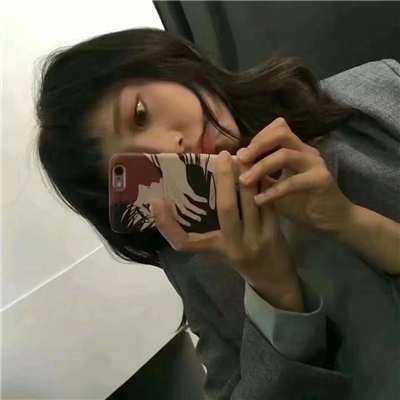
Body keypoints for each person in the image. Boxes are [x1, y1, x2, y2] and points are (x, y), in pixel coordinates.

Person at [35, 28, 400, 399]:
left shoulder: (376, 94)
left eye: (141, 115)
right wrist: (274, 292)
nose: (171, 148)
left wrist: (350, 221)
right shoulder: (195, 265)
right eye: (144, 164)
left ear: (161, 62)